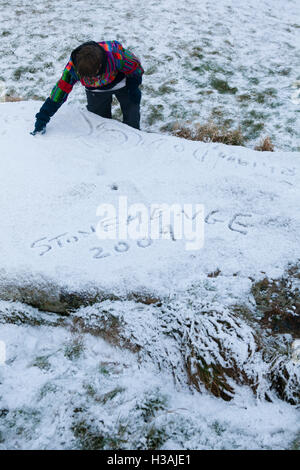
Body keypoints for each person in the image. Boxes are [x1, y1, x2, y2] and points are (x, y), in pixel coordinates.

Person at [31, 40, 144, 135]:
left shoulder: (115, 54)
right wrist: (43, 116)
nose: (92, 79)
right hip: (95, 91)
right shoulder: (72, 69)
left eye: (94, 75)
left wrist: (133, 86)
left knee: (132, 118)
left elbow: (135, 67)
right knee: (99, 122)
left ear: (100, 65)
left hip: (122, 84)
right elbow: (60, 91)